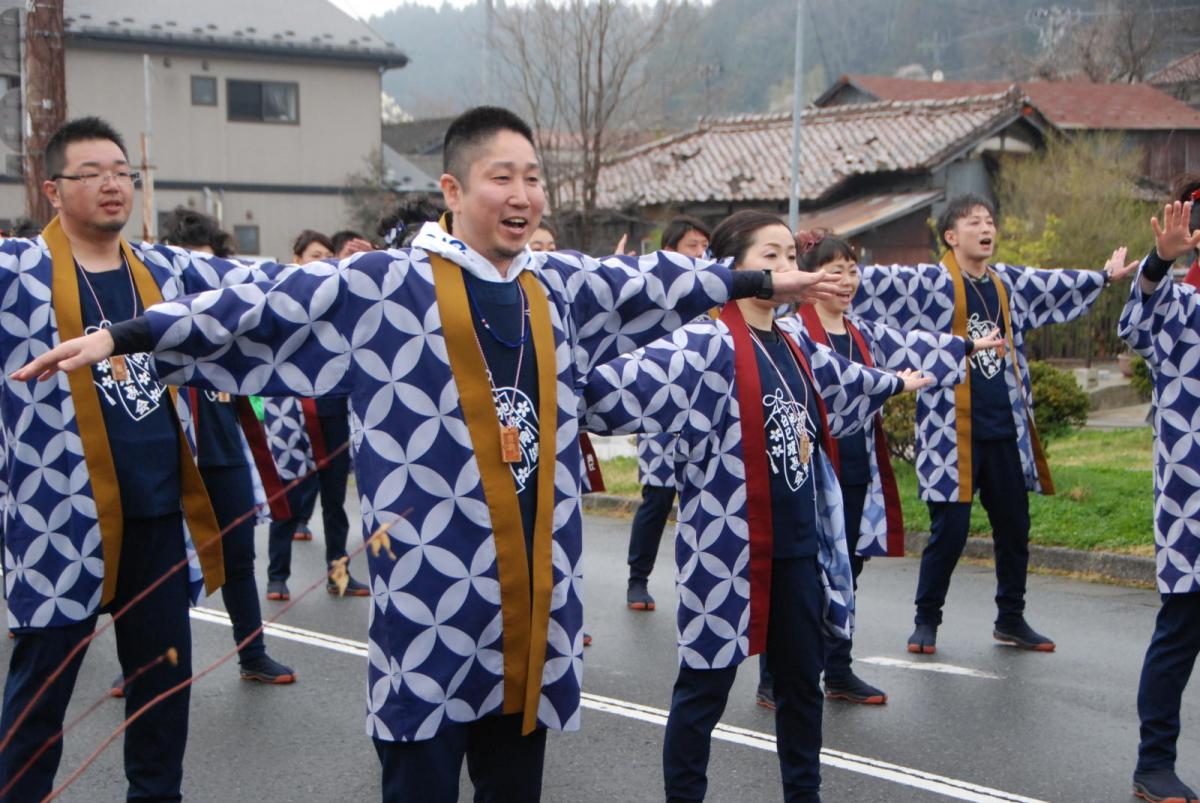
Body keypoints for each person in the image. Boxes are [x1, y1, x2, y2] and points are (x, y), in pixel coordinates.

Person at [15, 107, 842, 803]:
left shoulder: (554, 285)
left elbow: (656, 282)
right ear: (451, 190)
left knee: (514, 781)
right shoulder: (384, 284)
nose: (521, 195)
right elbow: (258, 308)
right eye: (500, 177)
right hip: (430, 606)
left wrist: (758, 283)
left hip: (532, 608)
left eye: (532, 178)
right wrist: (123, 337)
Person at [584, 210, 938, 802]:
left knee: (801, 686)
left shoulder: (796, 343)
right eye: (769, 257)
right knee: (704, 689)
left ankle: (805, 795)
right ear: (733, 270)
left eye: (790, 256)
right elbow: (608, 393)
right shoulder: (705, 343)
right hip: (727, 547)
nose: (787, 267)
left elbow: (849, 380)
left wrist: (898, 383)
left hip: (798, 547)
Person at [0, 117, 279, 802]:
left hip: (157, 513)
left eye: (122, 172)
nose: (112, 185)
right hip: (59, 514)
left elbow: (266, 288)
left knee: (162, 684)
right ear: (52, 189)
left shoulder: (166, 268)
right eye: (91, 173)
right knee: (40, 689)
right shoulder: (14, 272)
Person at [852, 193, 1138, 654]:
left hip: (1003, 428)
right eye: (973, 222)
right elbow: (874, 283)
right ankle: (926, 620)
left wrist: (1103, 277)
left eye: (989, 221)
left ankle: (1011, 618)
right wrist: (811, 272)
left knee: (1014, 528)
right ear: (951, 236)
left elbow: (1051, 283)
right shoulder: (930, 283)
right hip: (949, 432)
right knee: (950, 532)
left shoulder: (1007, 283)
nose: (986, 228)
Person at [757, 230, 1001, 710]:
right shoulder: (791, 332)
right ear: (809, 278)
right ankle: (775, 674)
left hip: (854, 466)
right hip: (805, 470)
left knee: (847, 569)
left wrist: (969, 345)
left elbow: (914, 345)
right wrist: (888, 382)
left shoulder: (863, 332)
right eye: (835, 272)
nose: (848, 281)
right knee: (799, 573)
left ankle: (838, 668)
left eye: (852, 271)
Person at [157, 206, 297, 684]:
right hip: (171, 459)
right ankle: (147, 665)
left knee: (239, 559)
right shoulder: (152, 323)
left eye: (209, 267)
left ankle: (252, 655)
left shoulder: (230, 327)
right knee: (161, 567)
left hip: (224, 455)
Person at [1118, 196, 1200, 803]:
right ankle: (1154, 763)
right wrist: (1158, 262)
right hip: (1191, 499)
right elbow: (1135, 324)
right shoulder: (1183, 307)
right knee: (1182, 626)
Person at [625, 216, 711, 611]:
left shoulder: (712, 296)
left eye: (704, 246)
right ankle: (637, 579)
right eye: (692, 246)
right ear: (669, 251)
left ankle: (701, 585)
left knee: (707, 501)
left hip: (703, 414)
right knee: (657, 497)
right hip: (659, 413)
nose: (700, 253)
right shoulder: (650, 297)